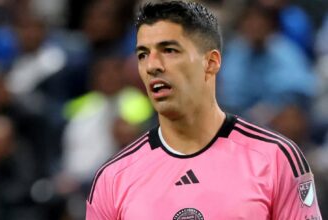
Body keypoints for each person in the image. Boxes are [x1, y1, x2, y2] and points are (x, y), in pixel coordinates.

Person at [86, 1, 322, 219]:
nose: (152, 66)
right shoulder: (113, 178)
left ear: (211, 63)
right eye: (142, 54)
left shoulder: (276, 159)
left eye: (169, 50)